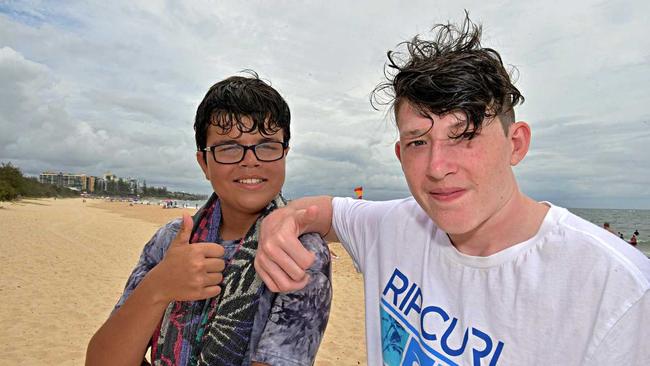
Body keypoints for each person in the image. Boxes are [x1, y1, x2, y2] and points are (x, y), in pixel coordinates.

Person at [254, 15, 650, 365]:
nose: (438, 167)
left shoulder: (616, 291)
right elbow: (324, 211)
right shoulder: (394, 226)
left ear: (516, 144)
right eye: (418, 142)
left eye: (465, 135)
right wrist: (281, 220)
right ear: (399, 152)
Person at [86, 73, 332, 366]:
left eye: (266, 145)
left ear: (284, 155)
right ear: (204, 162)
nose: (250, 160)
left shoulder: (300, 251)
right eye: (229, 147)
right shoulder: (170, 241)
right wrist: (158, 287)